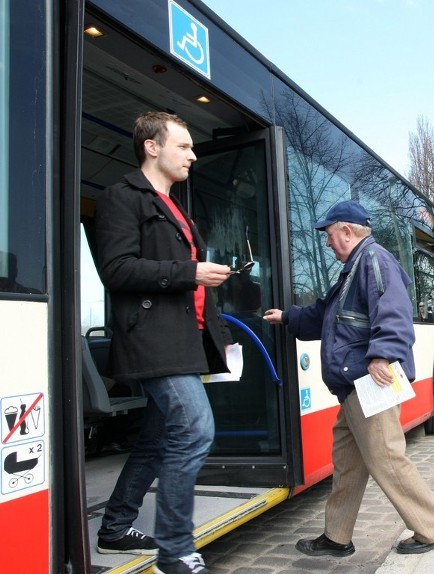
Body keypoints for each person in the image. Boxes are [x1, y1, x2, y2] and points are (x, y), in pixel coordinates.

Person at [263, 200, 434, 555]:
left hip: (368, 382)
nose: (326, 242)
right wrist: (288, 317)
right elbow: (323, 314)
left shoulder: (373, 259)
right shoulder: (355, 267)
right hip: (354, 386)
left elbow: (395, 310)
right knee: (348, 463)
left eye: (328, 234)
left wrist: (382, 354)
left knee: (386, 457)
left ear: (347, 231)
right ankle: (337, 536)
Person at [95, 112, 233, 574]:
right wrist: (190, 271)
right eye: (184, 146)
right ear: (152, 147)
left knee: (156, 441)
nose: (193, 155)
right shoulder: (123, 196)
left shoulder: (178, 209)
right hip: (154, 342)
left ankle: (115, 525)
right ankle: (175, 552)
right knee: (195, 430)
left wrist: (222, 335)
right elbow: (116, 270)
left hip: (185, 340)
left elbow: (191, 288)